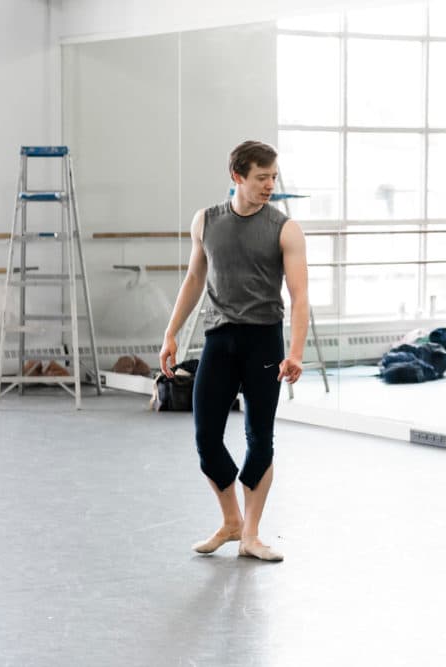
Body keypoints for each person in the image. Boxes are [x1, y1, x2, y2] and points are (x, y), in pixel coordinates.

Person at [159, 140, 309, 562]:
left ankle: (252, 534)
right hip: (219, 339)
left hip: (264, 339)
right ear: (237, 176)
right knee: (206, 437)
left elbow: (300, 296)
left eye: (273, 177)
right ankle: (231, 522)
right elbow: (193, 279)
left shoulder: (285, 228)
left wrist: (294, 352)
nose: (269, 185)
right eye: (262, 178)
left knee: (259, 436)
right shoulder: (206, 221)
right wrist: (171, 333)